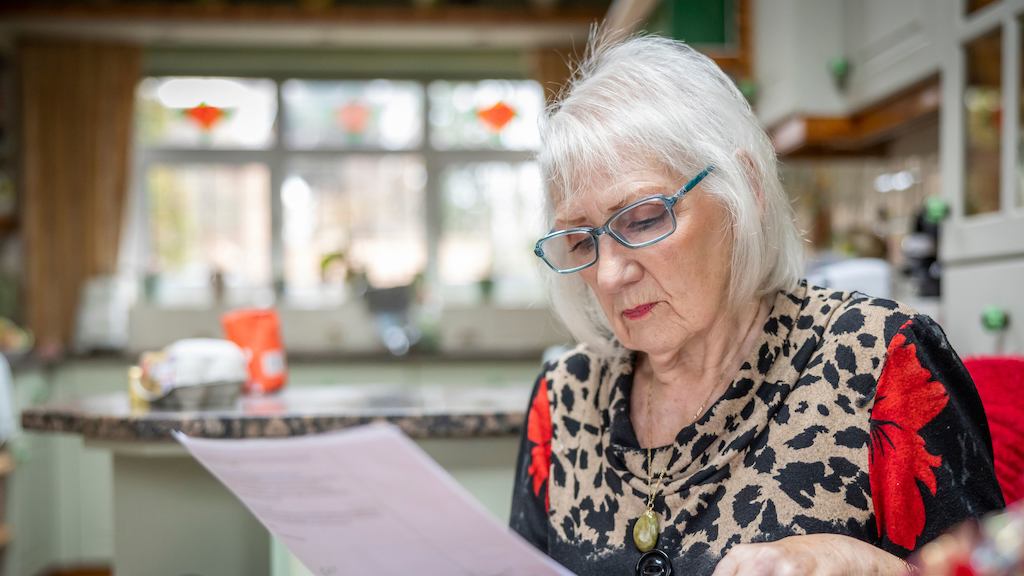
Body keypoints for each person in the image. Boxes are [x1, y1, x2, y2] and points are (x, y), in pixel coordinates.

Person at [509, 34, 1004, 576]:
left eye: (644, 218)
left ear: (745, 189)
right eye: (581, 240)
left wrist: (874, 567)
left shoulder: (879, 360)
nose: (607, 274)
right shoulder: (564, 400)